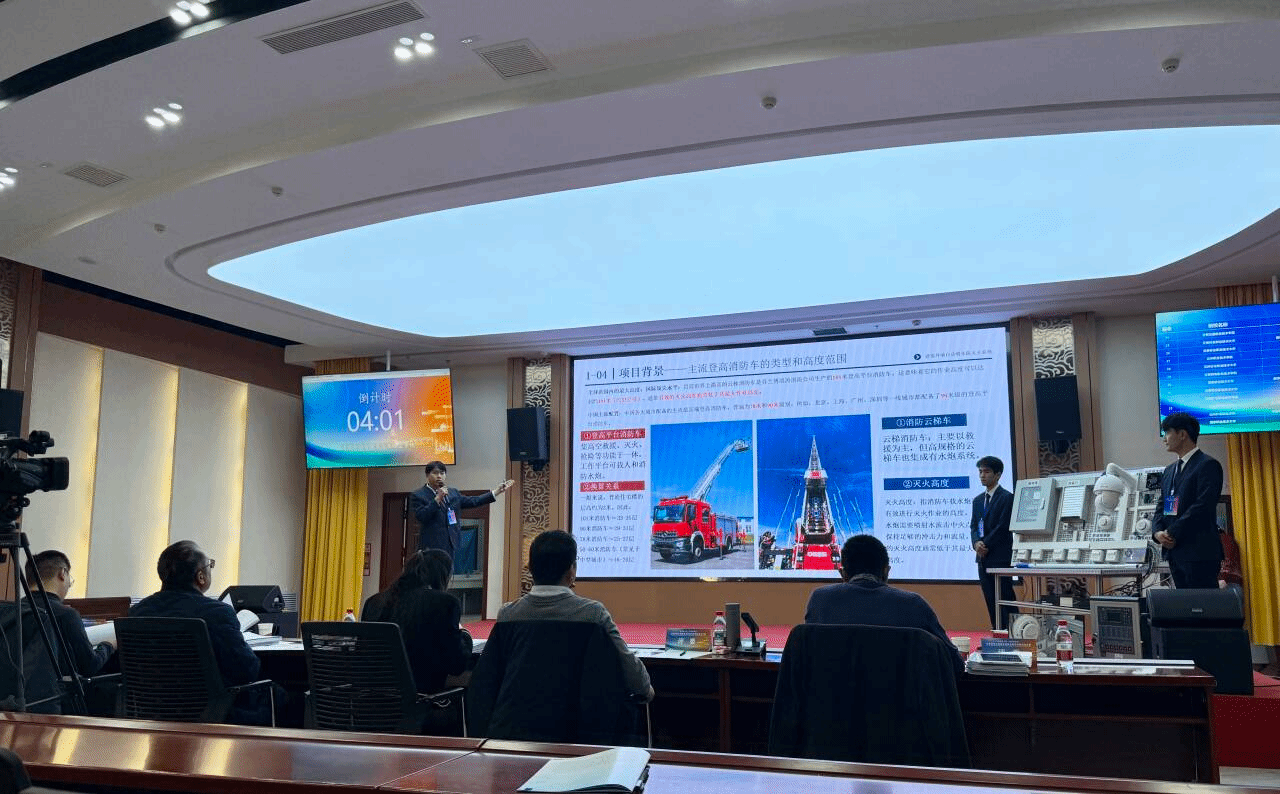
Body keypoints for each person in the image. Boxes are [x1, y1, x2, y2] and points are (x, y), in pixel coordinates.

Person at [130, 540, 274, 725]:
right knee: (283, 696)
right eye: (210, 565)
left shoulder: (138, 612)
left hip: (151, 713)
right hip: (215, 714)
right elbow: (247, 671)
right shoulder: (217, 612)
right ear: (200, 577)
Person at [497, 530, 652, 700]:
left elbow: (491, 676)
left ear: (531, 569)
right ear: (572, 571)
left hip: (515, 715)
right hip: (579, 715)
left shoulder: (507, 615)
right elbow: (633, 674)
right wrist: (646, 690)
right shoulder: (594, 614)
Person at [805, 534, 963, 674]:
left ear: (843, 573)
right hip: (900, 699)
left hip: (832, 698)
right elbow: (955, 664)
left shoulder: (820, 601)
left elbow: (807, 659)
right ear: (886, 571)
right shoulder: (913, 604)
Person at [1, 551, 115, 713]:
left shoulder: (12, 611)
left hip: (14, 702)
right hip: (57, 703)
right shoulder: (67, 615)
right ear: (62, 573)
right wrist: (108, 645)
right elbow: (90, 666)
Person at [365, 550, 472, 694]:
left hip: (372, 696)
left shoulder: (373, 602)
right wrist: (464, 634)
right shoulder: (444, 603)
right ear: (442, 576)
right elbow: (456, 665)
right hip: (420, 695)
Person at [1153, 412, 1224, 589]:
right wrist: (1157, 532)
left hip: (1199, 553)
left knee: (1204, 604)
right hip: (1175, 553)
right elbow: (1163, 505)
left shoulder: (1208, 465)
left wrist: (1172, 532)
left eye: (1167, 433)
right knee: (1183, 605)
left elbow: (1203, 506)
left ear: (1183, 434)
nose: (1164, 439)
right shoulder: (1170, 470)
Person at [410, 461, 514, 560]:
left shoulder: (453, 493)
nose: (439, 476)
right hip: (431, 546)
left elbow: (474, 501)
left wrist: (497, 491)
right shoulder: (419, 495)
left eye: (442, 473)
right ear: (427, 475)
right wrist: (437, 499)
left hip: (450, 544)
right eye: (435, 473)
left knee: (448, 571)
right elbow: (421, 516)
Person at [970, 455, 1015, 630]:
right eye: (980, 472)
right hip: (983, 559)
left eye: (987, 471)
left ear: (998, 474)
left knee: (1005, 598)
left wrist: (985, 544)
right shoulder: (977, 500)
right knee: (990, 599)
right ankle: (997, 633)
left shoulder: (1006, 498)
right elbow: (974, 526)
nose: (982, 475)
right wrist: (976, 543)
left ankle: (1013, 634)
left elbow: (1003, 526)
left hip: (1000, 557)